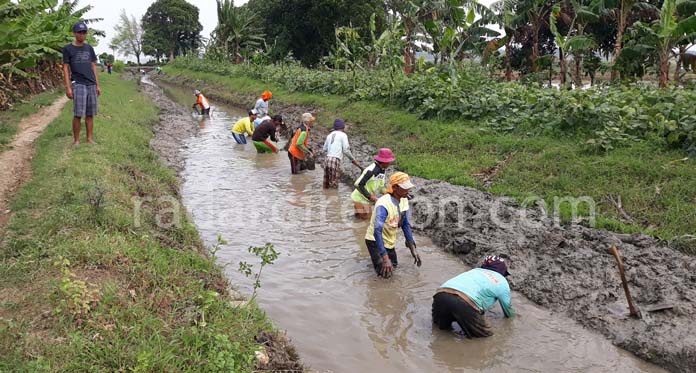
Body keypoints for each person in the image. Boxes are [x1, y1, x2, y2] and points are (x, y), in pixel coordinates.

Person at [432, 255, 515, 338]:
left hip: (441, 294)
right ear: (502, 271)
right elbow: (509, 312)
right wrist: (514, 319)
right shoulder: (501, 281)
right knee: (486, 337)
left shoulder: (474, 271)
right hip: (464, 301)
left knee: (441, 330)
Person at [364, 172, 421, 278]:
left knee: (393, 266)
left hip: (389, 240)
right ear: (395, 188)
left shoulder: (404, 200)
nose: (407, 191)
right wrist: (385, 258)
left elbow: (405, 224)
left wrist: (412, 248)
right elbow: (377, 231)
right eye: (404, 188)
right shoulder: (383, 204)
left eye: (408, 188)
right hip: (375, 240)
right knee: (385, 273)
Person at [62, 21, 100, 145]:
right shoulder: (68, 49)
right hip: (78, 84)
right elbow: (66, 68)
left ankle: (89, 139)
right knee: (78, 114)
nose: (82, 35)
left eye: (84, 32)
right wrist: (68, 87)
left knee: (90, 114)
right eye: (79, 32)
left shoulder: (89, 48)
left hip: (91, 84)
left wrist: (97, 85)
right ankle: (76, 140)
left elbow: (93, 66)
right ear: (74, 33)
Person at [351, 148, 395, 219]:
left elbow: (381, 187)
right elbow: (358, 184)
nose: (390, 163)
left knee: (361, 219)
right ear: (383, 161)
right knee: (367, 220)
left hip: (365, 199)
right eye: (389, 161)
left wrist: (389, 193)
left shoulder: (382, 170)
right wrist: (370, 196)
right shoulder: (371, 170)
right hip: (360, 198)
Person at [322, 118, 361, 188]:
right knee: (334, 183)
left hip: (327, 159)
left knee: (326, 183)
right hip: (335, 160)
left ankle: (326, 195)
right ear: (342, 127)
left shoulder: (330, 135)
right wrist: (353, 159)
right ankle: (333, 197)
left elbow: (324, 148)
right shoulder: (343, 135)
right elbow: (346, 150)